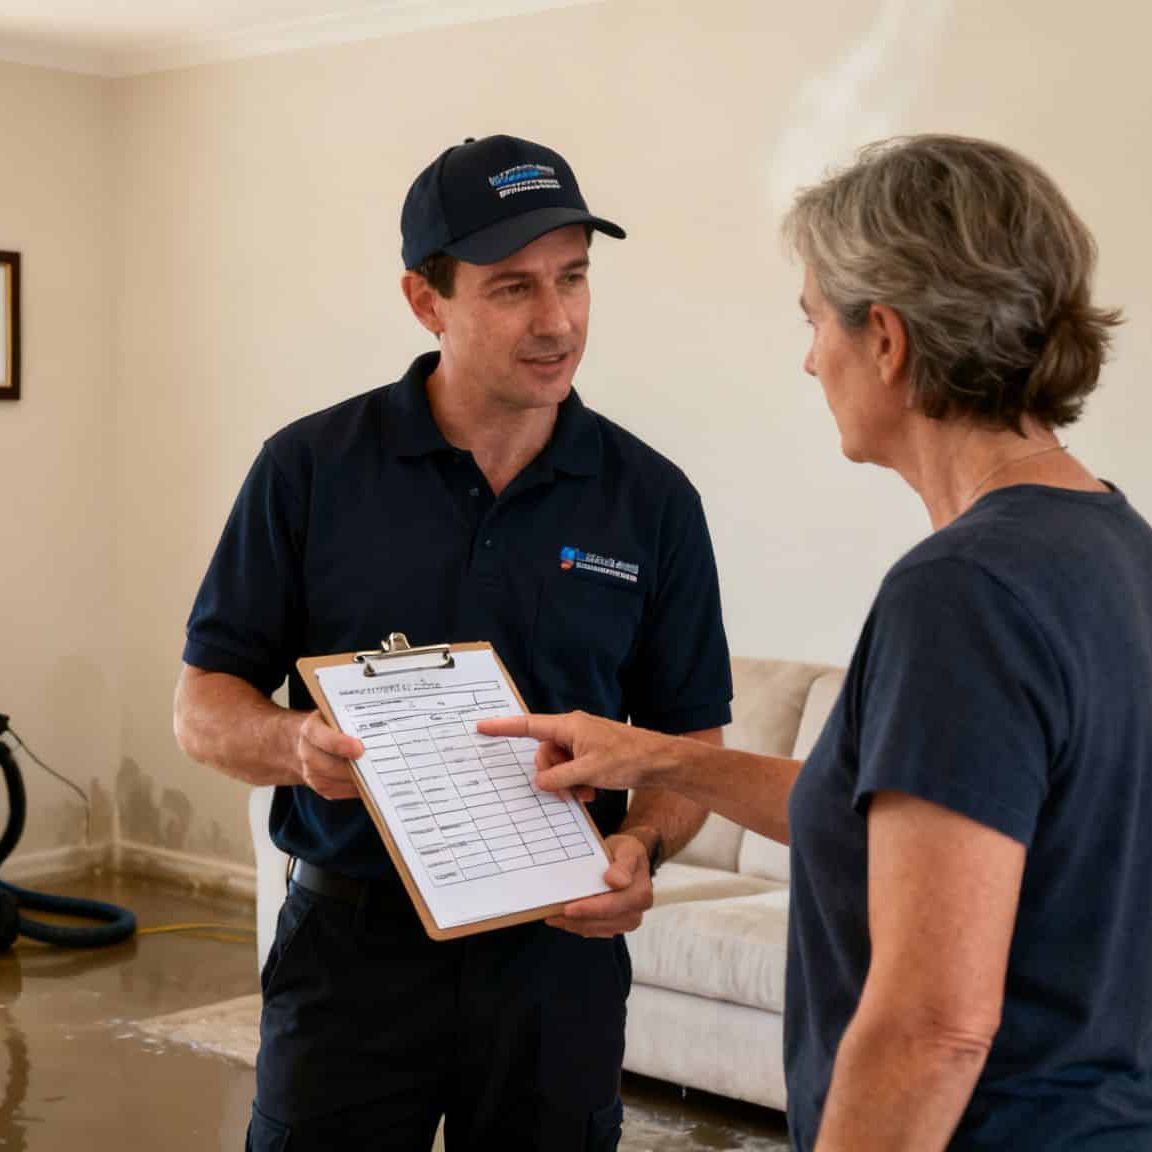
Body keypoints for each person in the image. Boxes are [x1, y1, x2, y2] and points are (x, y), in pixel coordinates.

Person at [483, 135, 1152, 1151]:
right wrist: (653, 756)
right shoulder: (1114, 542)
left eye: (813, 318)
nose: (808, 356)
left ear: (886, 339)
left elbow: (931, 1028)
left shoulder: (961, 592)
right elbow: (916, 828)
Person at [172, 133, 734, 1151]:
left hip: (557, 957)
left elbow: (691, 741)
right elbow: (203, 706)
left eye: (572, 278)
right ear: (425, 301)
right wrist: (293, 748)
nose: (555, 320)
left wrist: (639, 843)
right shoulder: (308, 469)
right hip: (351, 949)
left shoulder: (650, 500)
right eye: (511, 287)